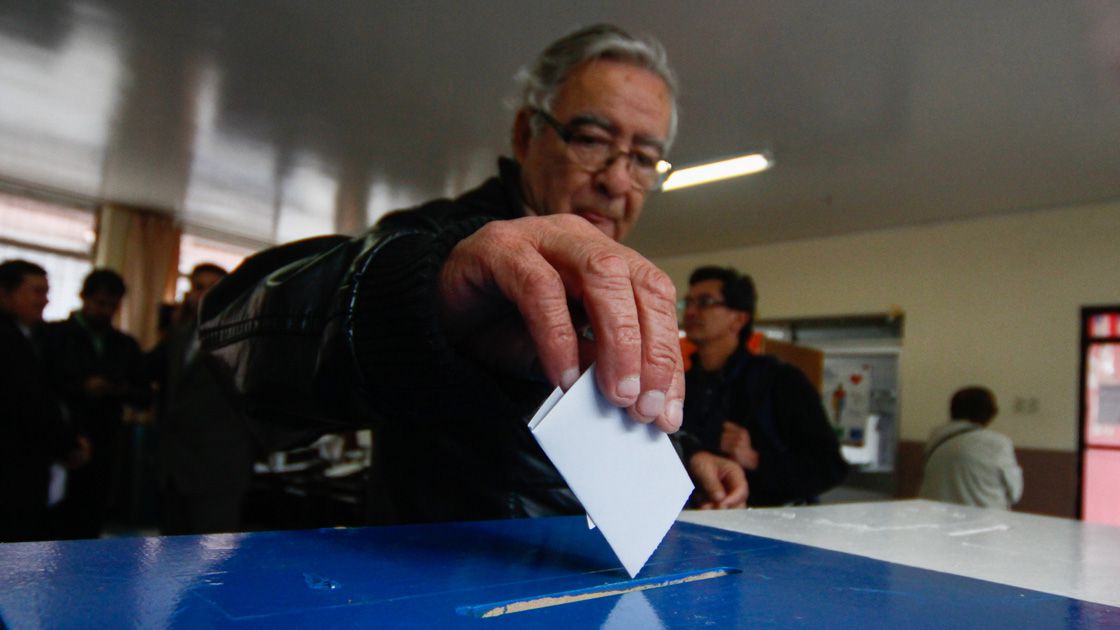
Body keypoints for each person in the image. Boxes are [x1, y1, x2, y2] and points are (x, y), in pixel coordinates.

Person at [200, 24, 747, 523]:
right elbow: (238, 333)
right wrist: (426, 292)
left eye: (643, 158)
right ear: (526, 136)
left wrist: (688, 452)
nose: (617, 180)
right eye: (592, 140)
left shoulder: (611, 277)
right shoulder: (440, 243)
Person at [677, 266, 848, 506]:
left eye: (705, 302)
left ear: (739, 319)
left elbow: (829, 467)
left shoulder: (781, 380)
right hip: (700, 525)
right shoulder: (682, 383)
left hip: (772, 530)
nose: (691, 312)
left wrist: (756, 459)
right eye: (687, 303)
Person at [149, 263, 255, 534]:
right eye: (198, 287)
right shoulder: (180, 334)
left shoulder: (243, 339)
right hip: (175, 468)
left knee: (211, 562)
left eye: (213, 288)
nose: (204, 295)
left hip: (218, 470)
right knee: (171, 558)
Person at [44, 268, 149, 539]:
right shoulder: (54, 336)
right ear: (84, 298)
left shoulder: (124, 345)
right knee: (53, 519)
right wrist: (81, 388)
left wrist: (117, 389)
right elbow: (41, 388)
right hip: (59, 442)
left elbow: (143, 394)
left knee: (90, 518)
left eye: (112, 306)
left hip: (105, 442)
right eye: (99, 303)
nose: (104, 311)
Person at [0, 259, 88, 542]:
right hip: (12, 468)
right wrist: (67, 444)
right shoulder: (7, 339)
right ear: (5, 293)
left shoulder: (35, 337)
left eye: (46, 292)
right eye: (35, 291)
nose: (44, 300)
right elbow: (27, 403)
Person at [919, 386, 1022, 509]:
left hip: (936, 519)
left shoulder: (935, 436)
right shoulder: (997, 443)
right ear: (989, 413)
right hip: (984, 521)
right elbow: (1015, 493)